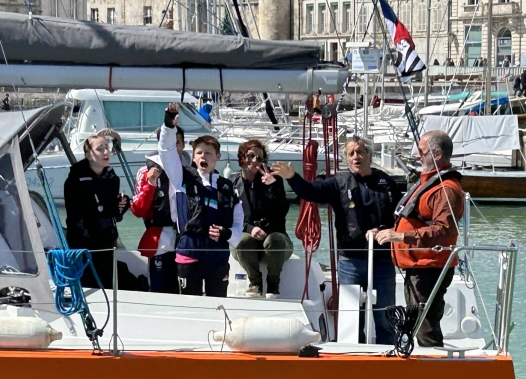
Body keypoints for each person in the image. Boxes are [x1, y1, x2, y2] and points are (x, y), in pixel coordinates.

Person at [272, 137, 402, 345]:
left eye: (360, 152)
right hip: (350, 261)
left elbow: (400, 218)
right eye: (351, 153)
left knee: (385, 315)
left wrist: (386, 230)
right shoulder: (339, 183)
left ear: (369, 155)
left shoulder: (387, 183)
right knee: (352, 318)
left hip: (382, 260)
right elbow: (311, 191)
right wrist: (292, 178)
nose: (356, 157)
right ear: (347, 159)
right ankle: (355, 356)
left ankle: (388, 353)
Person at [375, 130, 464, 348]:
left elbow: (443, 231)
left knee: (426, 327)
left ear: (436, 154)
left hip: (430, 268)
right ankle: (426, 361)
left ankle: (433, 365)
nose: (417, 155)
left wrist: (400, 236)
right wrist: (386, 231)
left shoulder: (446, 189)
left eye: (422, 152)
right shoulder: (430, 184)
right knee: (418, 323)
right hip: (418, 267)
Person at [158, 103, 244, 297]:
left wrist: (228, 234)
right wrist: (168, 126)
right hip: (189, 253)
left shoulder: (227, 187)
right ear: (194, 157)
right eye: (199, 153)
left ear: (218, 157)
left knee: (218, 303)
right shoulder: (181, 177)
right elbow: (166, 151)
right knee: (190, 304)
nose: (203, 156)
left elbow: (238, 225)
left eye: (208, 153)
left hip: (218, 257)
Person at [130, 125, 191, 294]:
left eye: (177, 143)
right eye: (168, 143)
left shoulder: (192, 171)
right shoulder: (145, 172)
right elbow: (137, 210)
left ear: (183, 144)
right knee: (161, 292)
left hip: (188, 239)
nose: (172, 147)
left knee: (190, 293)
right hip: (161, 240)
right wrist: (150, 184)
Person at [64, 133, 131, 289]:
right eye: (100, 149)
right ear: (89, 154)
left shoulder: (112, 178)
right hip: (84, 244)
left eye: (107, 147)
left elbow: (113, 211)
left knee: (108, 284)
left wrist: (122, 204)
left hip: (107, 241)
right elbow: (76, 217)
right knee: (89, 285)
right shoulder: (75, 181)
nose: (106, 152)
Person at [231, 140, 292, 299]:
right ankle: (255, 282)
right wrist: (250, 229)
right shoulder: (231, 183)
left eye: (259, 158)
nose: (255, 160)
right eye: (250, 156)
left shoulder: (274, 179)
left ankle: (273, 283)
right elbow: (227, 217)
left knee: (275, 239)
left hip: (274, 240)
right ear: (242, 157)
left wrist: (273, 187)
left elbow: (282, 212)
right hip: (247, 241)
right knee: (242, 240)